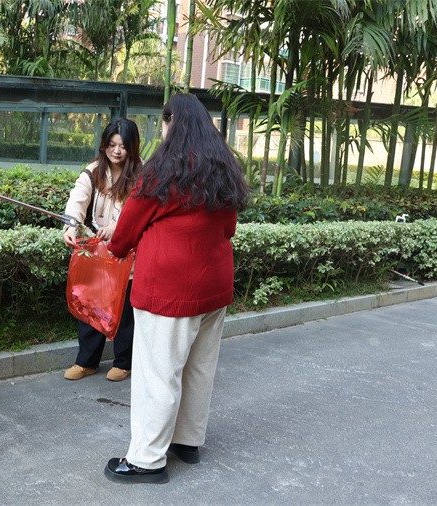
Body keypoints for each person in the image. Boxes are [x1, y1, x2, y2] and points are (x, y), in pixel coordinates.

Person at [104, 94, 250, 484]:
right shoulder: (223, 167)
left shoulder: (161, 170)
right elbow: (229, 228)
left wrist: (114, 244)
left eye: (164, 122)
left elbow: (126, 232)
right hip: (214, 286)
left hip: (169, 289)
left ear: (172, 123)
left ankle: (147, 460)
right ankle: (187, 442)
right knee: (199, 368)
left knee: (158, 373)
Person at [61, 118, 142, 382]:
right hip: (98, 252)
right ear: (104, 145)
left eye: (123, 146)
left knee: (125, 310)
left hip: (129, 251)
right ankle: (86, 362)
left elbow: (139, 211)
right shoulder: (93, 171)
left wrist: (117, 228)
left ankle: (124, 363)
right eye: (111, 144)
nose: (117, 151)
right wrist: (71, 225)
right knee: (91, 304)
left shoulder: (142, 174)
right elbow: (78, 199)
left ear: (132, 147)